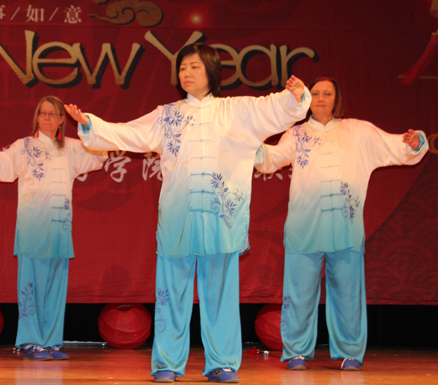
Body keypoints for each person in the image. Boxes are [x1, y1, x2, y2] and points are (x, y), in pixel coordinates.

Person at [64, 43, 311, 383]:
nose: (186, 73)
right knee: (171, 293)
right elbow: (130, 132)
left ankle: (222, 363)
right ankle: (167, 362)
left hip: (220, 220)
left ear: (211, 71)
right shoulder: (167, 114)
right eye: (182, 68)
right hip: (178, 218)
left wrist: (295, 97)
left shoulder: (236, 111)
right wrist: (91, 124)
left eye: (194, 67)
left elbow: (275, 109)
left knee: (220, 294)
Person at [254, 76, 429, 371]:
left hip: (346, 229)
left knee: (348, 293)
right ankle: (296, 351)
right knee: (299, 293)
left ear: (337, 99)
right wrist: (252, 146)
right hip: (304, 227)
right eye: (315, 93)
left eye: (327, 93)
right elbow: (271, 159)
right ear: (307, 100)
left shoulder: (358, 131)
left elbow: (396, 147)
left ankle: (350, 351)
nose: (321, 98)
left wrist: (415, 142)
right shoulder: (295, 134)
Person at [0, 96, 107, 361]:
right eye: (42, 113)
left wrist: (86, 126)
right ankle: (30, 341)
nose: (46, 118)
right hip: (33, 225)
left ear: (62, 119)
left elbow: (98, 155)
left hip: (61, 227)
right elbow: (3, 164)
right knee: (32, 285)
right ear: (37, 118)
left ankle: (50, 342)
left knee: (55, 286)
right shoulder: (24, 146)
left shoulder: (71, 148)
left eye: (52, 114)